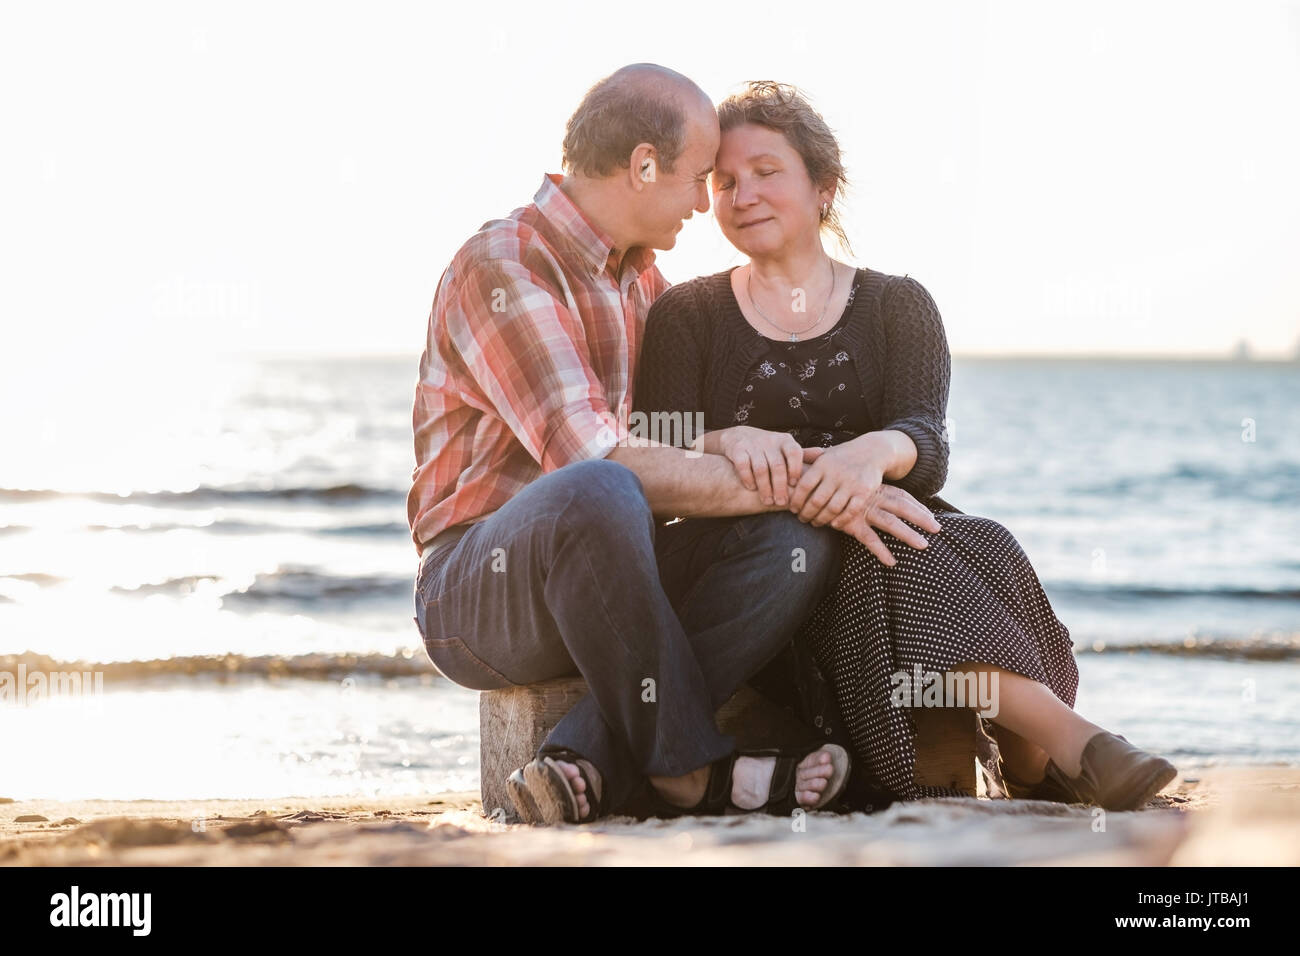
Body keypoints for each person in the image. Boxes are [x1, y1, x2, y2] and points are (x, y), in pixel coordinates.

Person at [632, 80, 1178, 812]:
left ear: (823, 188)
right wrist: (733, 439)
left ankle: (1031, 748)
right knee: (878, 548)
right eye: (724, 181)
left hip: (901, 538)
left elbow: (928, 438)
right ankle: (1060, 747)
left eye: (767, 172)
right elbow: (651, 450)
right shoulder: (687, 315)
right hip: (774, 580)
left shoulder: (898, 304)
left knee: (970, 535)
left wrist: (869, 456)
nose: (742, 194)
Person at [408, 65, 861, 826]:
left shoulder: (643, 286)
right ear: (644, 165)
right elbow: (598, 459)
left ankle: (587, 758)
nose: (702, 200)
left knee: (790, 541)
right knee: (601, 489)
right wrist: (814, 482)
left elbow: (651, 441)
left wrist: (735, 443)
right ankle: (693, 774)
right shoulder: (505, 265)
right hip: (479, 590)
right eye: (697, 177)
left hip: (614, 579)